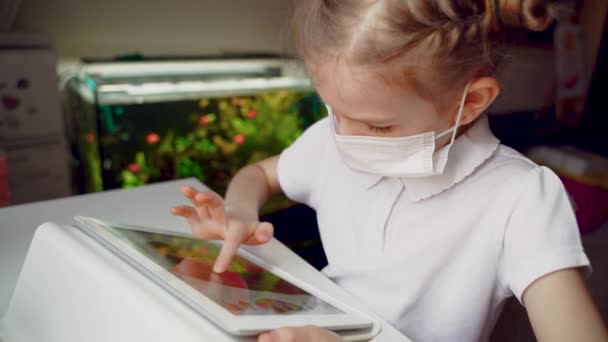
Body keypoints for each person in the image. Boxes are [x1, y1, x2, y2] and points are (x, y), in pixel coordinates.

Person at [171, 1, 608, 341]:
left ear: (471, 101)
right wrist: (239, 210)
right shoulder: (333, 140)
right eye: (335, 111)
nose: (345, 136)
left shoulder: (520, 198)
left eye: (379, 125)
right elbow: (260, 175)